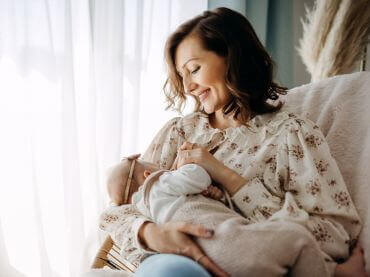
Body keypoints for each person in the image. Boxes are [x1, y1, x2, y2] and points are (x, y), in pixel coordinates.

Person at [99, 7, 367, 277]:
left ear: (232, 57)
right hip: (173, 263)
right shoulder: (178, 133)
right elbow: (117, 209)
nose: (189, 86)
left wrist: (226, 176)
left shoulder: (290, 135)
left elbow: (333, 235)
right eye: (182, 76)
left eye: (194, 69)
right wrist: (152, 233)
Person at [103, 151, 342, 276]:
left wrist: (215, 195)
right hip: (228, 243)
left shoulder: (146, 207)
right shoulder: (160, 181)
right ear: (147, 175)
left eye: (194, 69)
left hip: (215, 260)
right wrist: (188, 166)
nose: (188, 84)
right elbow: (196, 176)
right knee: (297, 238)